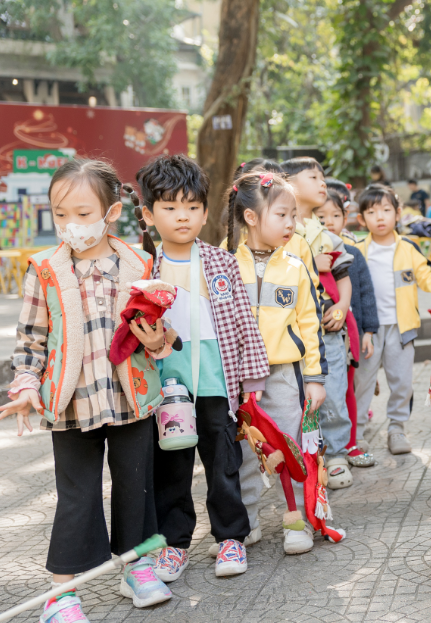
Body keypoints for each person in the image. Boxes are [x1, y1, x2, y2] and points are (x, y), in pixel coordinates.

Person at [0, 159, 173, 622]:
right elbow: (31, 338)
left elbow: (157, 330)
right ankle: (63, 592)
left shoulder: (139, 262)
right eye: (60, 215)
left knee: (135, 486)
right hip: (71, 402)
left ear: (111, 211)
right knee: (77, 495)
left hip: (129, 398)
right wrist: (25, 386)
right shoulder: (45, 269)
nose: (71, 225)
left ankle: (134, 567)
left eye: (81, 213)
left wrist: (158, 341)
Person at [135, 155, 270, 582]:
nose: (182, 217)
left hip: (217, 378)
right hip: (166, 385)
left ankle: (231, 538)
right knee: (170, 466)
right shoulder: (142, 269)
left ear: (206, 212)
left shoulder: (221, 262)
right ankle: (174, 545)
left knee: (222, 460)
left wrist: (254, 376)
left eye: (192, 207)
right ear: (148, 213)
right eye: (170, 207)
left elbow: (244, 321)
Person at [227, 171, 327, 556]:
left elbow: (309, 323)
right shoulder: (226, 264)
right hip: (239, 381)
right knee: (246, 453)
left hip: (285, 376)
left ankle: (298, 520)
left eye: (293, 216)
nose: (291, 224)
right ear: (252, 218)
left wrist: (315, 378)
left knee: (290, 446)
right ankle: (247, 521)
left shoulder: (295, 266)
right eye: (283, 215)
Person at [281, 158, 360, 488]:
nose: (322, 181)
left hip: (327, 325)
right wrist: (312, 261)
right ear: (288, 183)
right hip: (293, 329)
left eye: (322, 176)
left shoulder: (327, 234)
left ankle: (337, 454)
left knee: (335, 389)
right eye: (313, 176)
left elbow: (343, 274)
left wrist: (342, 305)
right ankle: (305, 455)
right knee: (296, 394)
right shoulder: (281, 228)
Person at [353, 185, 431, 455]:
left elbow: (425, 275)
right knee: (363, 381)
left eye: (386, 210)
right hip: (368, 329)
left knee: (401, 381)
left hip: (401, 328)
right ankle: (355, 432)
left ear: (398, 213)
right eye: (371, 212)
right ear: (361, 219)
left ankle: (397, 428)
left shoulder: (409, 248)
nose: (379, 217)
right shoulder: (357, 250)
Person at [316, 186, 379, 471]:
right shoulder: (307, 251)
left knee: (346, 390)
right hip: (321, 332)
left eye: (335, 215)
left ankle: (350, 441)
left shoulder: (350, 253)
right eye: (320, 216)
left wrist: (369, 331)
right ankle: (326, 448)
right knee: (329, 391)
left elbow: (365, 294)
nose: (328, 221)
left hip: (348, 328)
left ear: (346, 217)